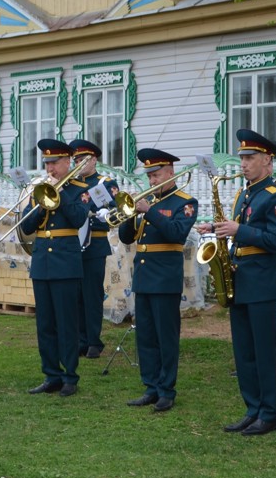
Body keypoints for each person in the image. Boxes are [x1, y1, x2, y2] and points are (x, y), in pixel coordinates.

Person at [196, 130, 276, 434]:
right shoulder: (245, 193)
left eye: (250, 158)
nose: (243, 163)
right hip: (240, 277)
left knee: (264, 350)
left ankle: (269, 413)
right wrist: (216, 227)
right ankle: (252, 408)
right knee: (244, 351)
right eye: (242, 158)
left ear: (267, 160)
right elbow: (244, 227)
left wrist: (238, 230)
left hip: (263, 280)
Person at [118, 148, 198, 412]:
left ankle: (167, 390)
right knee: (146, 337)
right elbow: (127, 239)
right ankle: (150, 386)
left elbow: (176, 234)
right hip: (144, 277)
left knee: (166, 337)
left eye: (157, 174)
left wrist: (148, 211)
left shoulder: (184, 202)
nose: (152, 180)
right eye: (149, 175)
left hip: (165, 279)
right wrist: (130, 216)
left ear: (170, 172)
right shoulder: (147, 200)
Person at [22, 139, 88, 398]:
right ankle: (51, 374)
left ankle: (70, 375)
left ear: (67, 162)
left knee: (67, 322)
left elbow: (80, 218)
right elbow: (27, 228)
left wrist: (58, 198)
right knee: (45, 324)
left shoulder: (79, 188)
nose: (50, 168)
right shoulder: (39, 189)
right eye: (47, 163)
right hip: (42, 262)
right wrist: (41, 203)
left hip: (65, 262)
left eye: (54, 162)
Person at [68, 138, 119, 359]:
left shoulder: (105, 182)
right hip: (73, 245)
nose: (79, 163)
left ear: (94, 160)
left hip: (95, 243)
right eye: (76, 160)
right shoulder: (72, 184)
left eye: (83, 159)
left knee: (92, 294)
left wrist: (94, 214)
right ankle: (80, 339)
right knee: (76, 294)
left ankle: (94, 341)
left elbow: (114, 211)